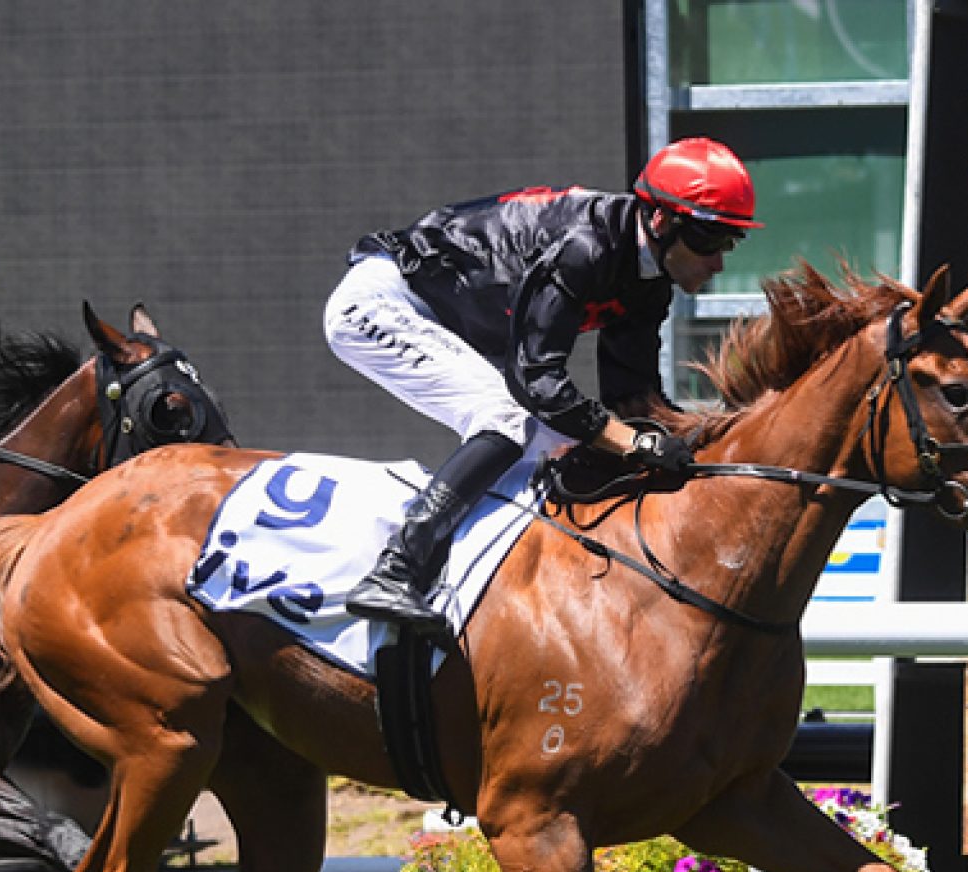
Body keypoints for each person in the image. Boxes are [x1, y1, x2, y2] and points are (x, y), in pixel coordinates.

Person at [323, 137, 760, 634]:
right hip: (382, 303)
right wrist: (632, 441)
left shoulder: (650, 282)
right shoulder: (585, 246)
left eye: (730, 243)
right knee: (505, 419)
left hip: (439, 320)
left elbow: (632, 398)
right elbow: (536, 381)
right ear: (661, 221)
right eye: (710, 241)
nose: (718, 263)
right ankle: (397, 569)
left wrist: (694, 446)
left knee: (562, 447)